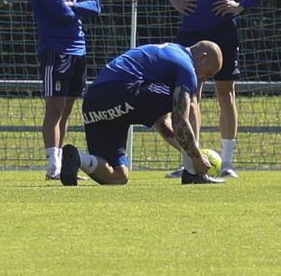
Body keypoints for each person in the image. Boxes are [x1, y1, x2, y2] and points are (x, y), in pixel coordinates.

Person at [153, 0, 281, 178]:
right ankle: (191, 159)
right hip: (190, 30)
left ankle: (229, 162)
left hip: (223, 28)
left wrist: (241, 6)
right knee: (188, 94)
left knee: (225, 91)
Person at [59, 41, 224, 185]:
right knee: (185, 101)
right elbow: (180, 119)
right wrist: (196, 155)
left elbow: (164, 125)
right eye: (208, 74)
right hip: (122, 89)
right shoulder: (186, 66)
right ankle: (192, 174)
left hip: (94, 102)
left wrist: (193, 151)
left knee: (119, 177)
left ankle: (79, 158)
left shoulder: (168, 55)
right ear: (203, 57)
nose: (203, 80)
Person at [34, 0, 101, 180]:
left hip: (79, 48)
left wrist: (72, 6)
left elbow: (96, 6)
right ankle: (53, 166)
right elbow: (55, 10)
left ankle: (61, 164)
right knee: (54, 108)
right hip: (55, 48)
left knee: (68, 109)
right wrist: (75, 8)